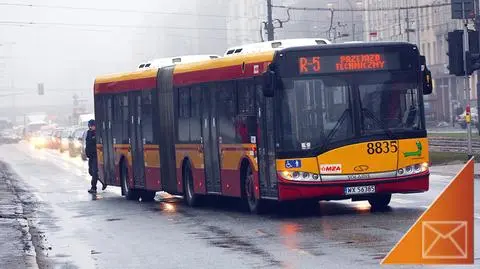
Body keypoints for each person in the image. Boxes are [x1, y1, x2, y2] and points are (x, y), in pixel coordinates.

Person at [86, 119, 106, 193]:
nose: (91, 127)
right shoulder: (89, 133)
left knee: (94, 172)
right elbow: (87, 143)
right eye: (90, 126)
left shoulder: (97, 133)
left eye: (92, 126)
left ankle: (93, 187)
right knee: (91, 171)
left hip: (96, 155)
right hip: (90, 155)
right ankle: (103, 182)